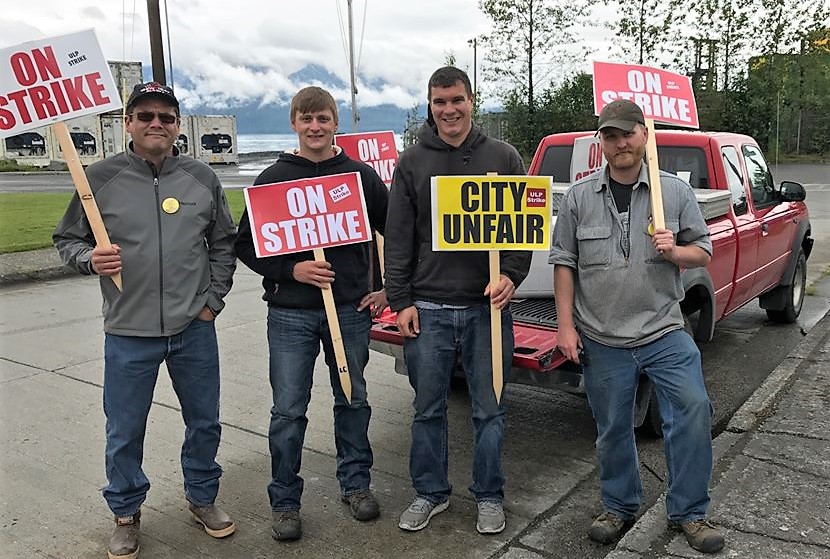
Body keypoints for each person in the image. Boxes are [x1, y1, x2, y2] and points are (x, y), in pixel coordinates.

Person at [53, 82, 238, 559]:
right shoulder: (99, 178)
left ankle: (202, 498)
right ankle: (126, 511)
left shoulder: (201, 177)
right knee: (125, 429)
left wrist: (211, 302)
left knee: (204, 422)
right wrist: (89, 259)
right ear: (129, 123)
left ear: (177, 126)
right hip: (128, 331)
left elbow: (223, 243)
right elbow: (67, 239)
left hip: (193, 328)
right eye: (146, 115)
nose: (157, 123)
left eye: (167, 116)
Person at [550, 99, 725, 554]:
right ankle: (619, 505)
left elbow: (702, 252)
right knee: (612, 428)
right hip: (602, 336)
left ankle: (690, 511)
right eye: (610, 135)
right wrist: (565, 326)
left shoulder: (674, 194)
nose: (620, 142)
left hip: (664, 330)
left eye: (627, 133)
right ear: (601, 143)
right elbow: (564, 264)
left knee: (692, 409)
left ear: (644, 135)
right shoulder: (579, 198)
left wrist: (676, 251)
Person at [234, 86, 389, 542]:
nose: (315, 127)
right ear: (295, 124)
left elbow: (395, 229)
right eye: (307, 119)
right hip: (290, 314)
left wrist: (385, 288)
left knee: (353, 399)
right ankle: (284, 500)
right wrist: (291, 268)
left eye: (323, 118)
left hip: (350, 311)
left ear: (335, 121)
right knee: (287, 410)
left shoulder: (360, 177)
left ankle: (356, 485)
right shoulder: (272, 179)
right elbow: (246, 243)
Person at [383, 66, 531, 535]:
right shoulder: (410, 163)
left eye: (457, 100)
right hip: (427, 309)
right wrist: (401, 299)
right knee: (428, 409)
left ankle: (489, 494)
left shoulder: (503, 156)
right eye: (439, 101)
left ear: (472, 101)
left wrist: (511, 274)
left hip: (487, 311)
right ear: (430, 105)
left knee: (490, 408)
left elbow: (520, 231)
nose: (449, 109)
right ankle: (430, 492)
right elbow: (398, 239)